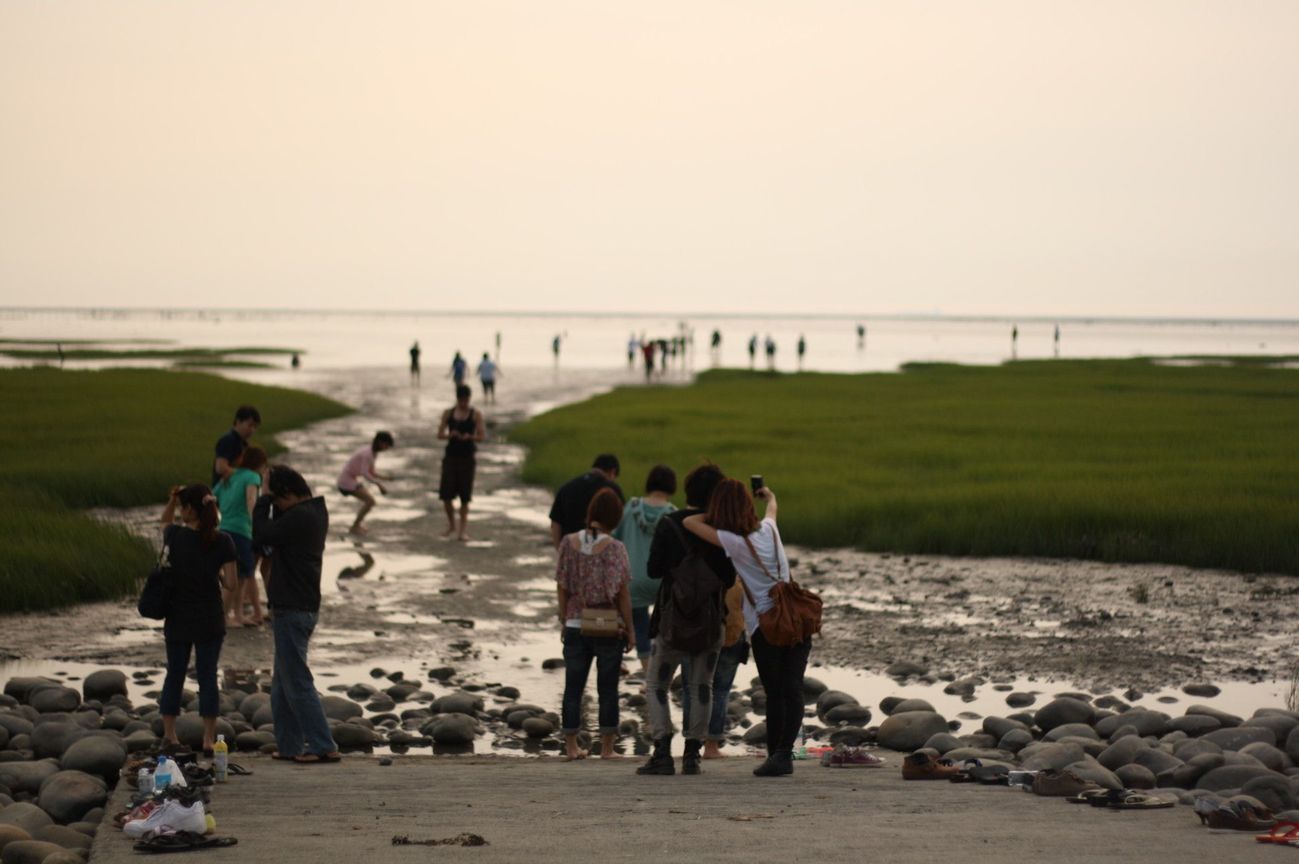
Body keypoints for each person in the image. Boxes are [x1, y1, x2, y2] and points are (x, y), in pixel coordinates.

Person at [683, 479, 806, 777]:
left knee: (776, 692)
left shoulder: (734, 541)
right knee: (793, 689)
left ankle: (778, 756)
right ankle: (782, 754)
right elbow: (773, 511)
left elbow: (689, 522)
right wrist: (770, 496)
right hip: (798, 619)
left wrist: (713, 512)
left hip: (767, 625)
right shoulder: (769, 530)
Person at [636, 462, 736, 777]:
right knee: (701, 685)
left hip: (672, 623)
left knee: (656, 684)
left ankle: (662, 750)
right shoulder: (723, 530)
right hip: (710, 622)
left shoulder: (669, 523)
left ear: (688, 492)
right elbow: (729, 579)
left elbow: (653, 570)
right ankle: (692, 755)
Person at [253, 465, 339, 764]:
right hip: (298, 606)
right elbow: (269, 537)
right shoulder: (313, 512)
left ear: (288, 494)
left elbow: (261, 533)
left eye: (278, 501)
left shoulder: (300, 517)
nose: (276, 506)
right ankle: (289, 746)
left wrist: (263, 498)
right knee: (281, 684)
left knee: (297, 681)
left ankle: (322, 745)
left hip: (293, 609)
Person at [555, 488, 634, 761]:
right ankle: (608, 748)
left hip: (576, 623)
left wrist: (564, 619)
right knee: (608, 689)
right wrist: (631, 630)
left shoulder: (567, 542)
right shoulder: (615, 548)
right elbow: (622, 593)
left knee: (573, 687)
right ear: (615, 518)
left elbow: (562, 586)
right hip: (608, 625)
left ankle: (571, 746)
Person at [158, 484, 236, 754]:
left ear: (189, 510)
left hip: (178, 616)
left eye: (182, 506)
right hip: (210, 617)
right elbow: (232, 585)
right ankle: (207, 738)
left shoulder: (175, 536)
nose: (179, 511)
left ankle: (171, 735)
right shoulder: (223, 541)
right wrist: (216, 574)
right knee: (207, 676)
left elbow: (164, 521)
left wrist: (170, 501)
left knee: (175, 674)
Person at [611, 465, 676, 681]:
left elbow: (615, 539)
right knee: (662, 628)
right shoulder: (672, 513)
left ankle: (648, 675)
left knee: (639, 626)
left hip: (632, 578)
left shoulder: (631, 507)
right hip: (662, 579)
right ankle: (661, 675)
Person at [681, 582, 749, 759]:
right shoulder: (736, 577)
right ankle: (711, 746)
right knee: (720, 691)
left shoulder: (692, 573)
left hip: (695, 636)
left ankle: (690, 745)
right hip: (731, 635)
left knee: (691, 690)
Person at [214, 446, 267, 626]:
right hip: (242, 530)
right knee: (241, 575)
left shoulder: (229, 476)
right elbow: (251, 500)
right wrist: (257, 525)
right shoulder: (253, 477)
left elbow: (213, 498)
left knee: (234, 575)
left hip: (224, 529)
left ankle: (235, 615)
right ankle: (228, 616)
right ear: (259, 464)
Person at [437, 385, 484, 540]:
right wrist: (451, 435)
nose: (464, 403)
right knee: (446, 495)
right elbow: (439, 434)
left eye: (466, 400)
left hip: (467, 457)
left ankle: (461, 530)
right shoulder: (448, 413)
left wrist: (470, 437)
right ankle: (451, 525)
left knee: (465, 496)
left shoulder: (475, 414)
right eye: (462, 400)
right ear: (457, 399)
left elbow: (481, 435)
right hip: (451, 456)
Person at [549, 454, 623, 547]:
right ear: (613, 472)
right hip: (602, 551)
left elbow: (555, 523)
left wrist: (560, 551)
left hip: (571, 550)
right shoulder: (612, 490)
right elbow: (622, 523)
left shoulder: (567, 488)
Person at [336, 432, 394, 535]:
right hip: (346, 481)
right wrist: (379, 485)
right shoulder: (367, 454)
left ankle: (356, 525)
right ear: (381, 442)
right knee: (370, 501)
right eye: (387, 445)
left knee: (370, 501)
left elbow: (371, 472)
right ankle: (355, 526)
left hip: (351, 479)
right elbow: (364, 473)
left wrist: (385, 478)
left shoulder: (372, 453)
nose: (387, 448)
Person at [213, 405, 260, 485]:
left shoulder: (244, 444)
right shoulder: (228, 440)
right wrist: (246, 475)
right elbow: (220, 468)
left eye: (255, 427)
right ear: (238, 422)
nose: (252, 430)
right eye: (250, 425)